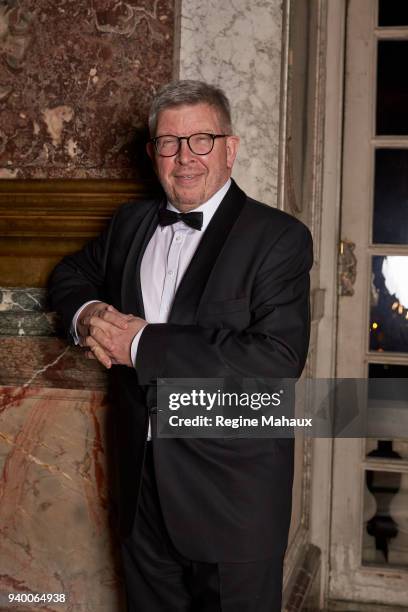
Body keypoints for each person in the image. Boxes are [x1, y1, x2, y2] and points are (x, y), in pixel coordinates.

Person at [49, 80, 313, 612]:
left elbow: (275, 360)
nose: (184, 157)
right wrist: (88, 313)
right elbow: (70, 273)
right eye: (169, 142)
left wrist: (142, 344)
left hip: (232, 500)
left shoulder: (278, 238)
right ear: (153, 154)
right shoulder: (130, 223)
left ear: (230, 148)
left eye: (201, 140)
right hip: (141, 494)